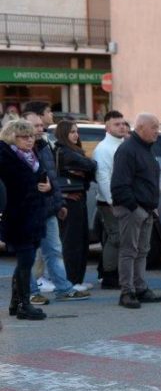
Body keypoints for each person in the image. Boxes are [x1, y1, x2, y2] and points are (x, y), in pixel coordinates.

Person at [23, 111, 91, 304]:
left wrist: (58, 202)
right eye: (35, 126)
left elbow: (52, 178)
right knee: (27, 254)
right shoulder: (13, 152)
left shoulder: (44, 147)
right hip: (27, 211)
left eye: (40, 125)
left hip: (47, 208)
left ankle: (63, 288)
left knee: (54, 251)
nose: (40, 129)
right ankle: (30, 292)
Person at [110, 113, 161, 309]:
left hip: (146, 209)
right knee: (129, 251)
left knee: (142, 251)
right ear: (141, 128)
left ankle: (140, 288)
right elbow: (119, 185)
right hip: (132, 210)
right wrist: (135, 208)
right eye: (154, 127)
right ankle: (127, 292)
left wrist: (151, 207)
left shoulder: (146, 149)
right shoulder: (128, 150)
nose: (157, 132)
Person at [0, 120, 50, 320]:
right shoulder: (5, 157)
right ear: (12, 137)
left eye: (31, 136)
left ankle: (16, 303)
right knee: (25, 261)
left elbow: (43, 181)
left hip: (34, 216)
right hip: (17, 217)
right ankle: (24, 304)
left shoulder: (31, 156)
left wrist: (48, 188)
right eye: (24, 137)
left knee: (25, 261)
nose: (30, 140)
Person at [53, 120, 98, 288]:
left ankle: (77, 279)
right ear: (64, 133)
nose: (76, 135)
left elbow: (89, 168)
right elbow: (90, 164)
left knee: (81, 241)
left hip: (78, 198)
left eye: (76, 132)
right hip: (69, 201)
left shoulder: (73, 150)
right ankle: (72, 281)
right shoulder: (63, 152)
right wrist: (85, 168)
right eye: (72, 132)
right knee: (72, 242)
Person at [93, 110, 129, 290]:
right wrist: (112, 201)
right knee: (116, 238)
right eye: (117, 124)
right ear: (107, 127)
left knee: (113, 238)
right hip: (111, 202)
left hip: (122, 199)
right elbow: (103, 177)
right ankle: (109, 276)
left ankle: (107, 272)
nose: (122, 127)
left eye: (123, 123)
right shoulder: (104, 148)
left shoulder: (123, 145)